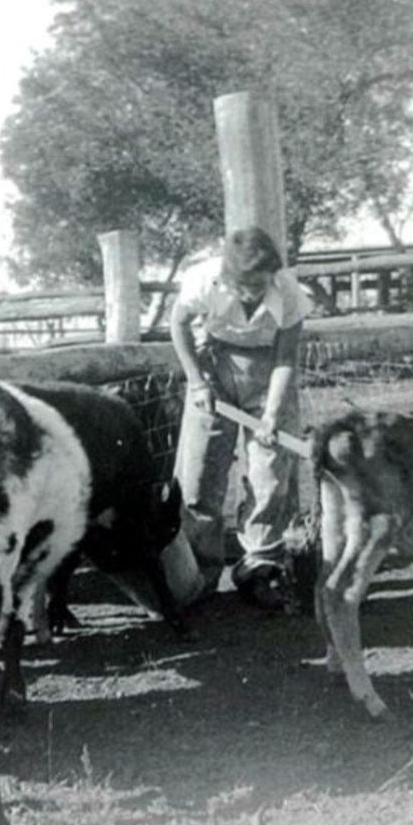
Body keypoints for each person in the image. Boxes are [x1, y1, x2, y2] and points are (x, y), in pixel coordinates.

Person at [169, 227, 313, 610]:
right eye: (245, 286)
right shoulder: (203, 280)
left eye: (260, 285)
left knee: (269, 479)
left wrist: (270, 414)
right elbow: (178, 324)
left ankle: (258, 571)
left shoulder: (290, 295)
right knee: (200, 477)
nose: (252, 293)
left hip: (268, 376)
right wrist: (197, 381)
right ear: (228, 276)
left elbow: (286, 359)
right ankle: (200, 575)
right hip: (214, 369)